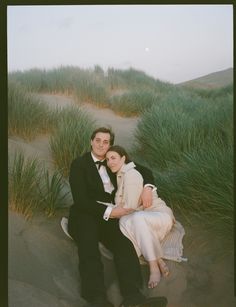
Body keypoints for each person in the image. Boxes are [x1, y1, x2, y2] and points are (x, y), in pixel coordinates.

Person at [68, 127, 167, 307]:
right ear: (91, 141)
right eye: (98, 140)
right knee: (89, 245)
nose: (101, 144)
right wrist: (111, 212)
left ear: (110, 145)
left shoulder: (113, 161)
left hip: (112, 217)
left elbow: (144, 171)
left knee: (124, 244)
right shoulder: (79, 164)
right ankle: (97, 298)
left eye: (105, 142)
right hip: (85, 214)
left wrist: (148, 188)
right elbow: (81, 200)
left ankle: (133, 298)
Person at [105, 145, 186, 289]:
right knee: (124, 222)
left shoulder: (131, 174)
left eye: (113, 158)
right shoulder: (120, 176)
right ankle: (158, 257)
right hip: (145, 222)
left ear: (123, 158)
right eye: (107, 159)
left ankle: (153, 266)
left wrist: (107, 211)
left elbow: (129, 206)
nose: (110, 162)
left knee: (133, 218)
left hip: (159, 216)